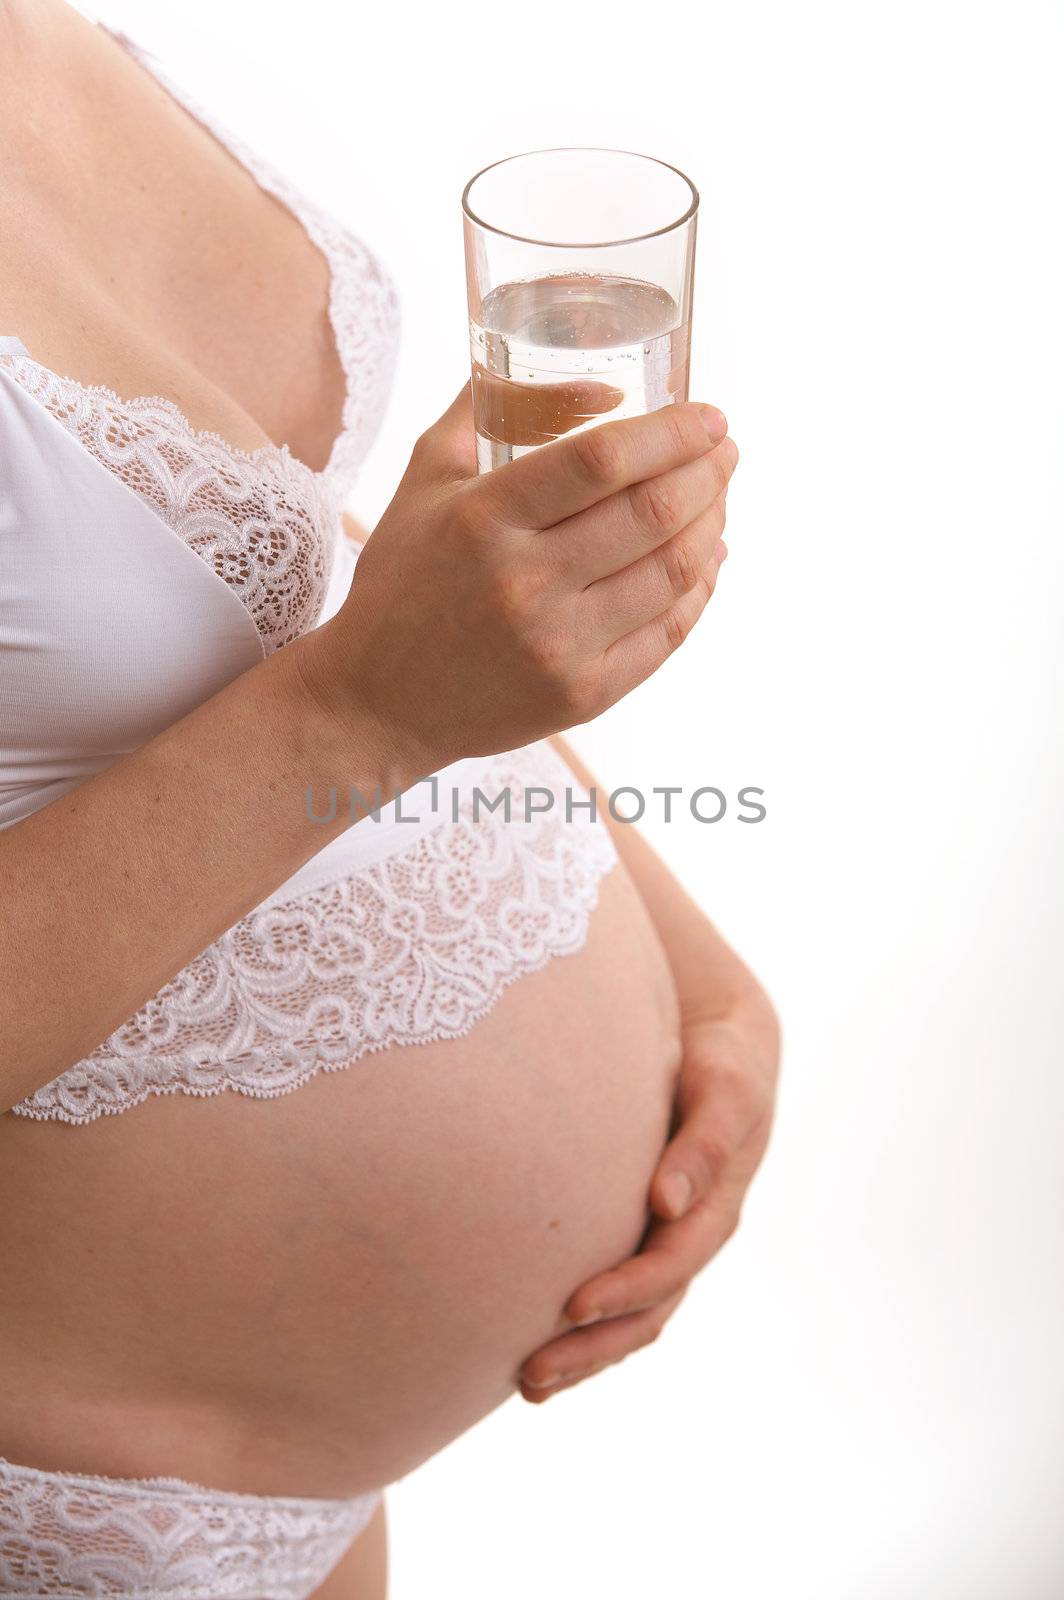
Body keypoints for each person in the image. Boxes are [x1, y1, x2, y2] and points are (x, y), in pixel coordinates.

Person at [0, 2, 781, 1595]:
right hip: (103, 1486)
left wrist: (704, 982)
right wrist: (364, 710)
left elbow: (292, 574)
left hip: (316, 1457)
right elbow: (354, 679)